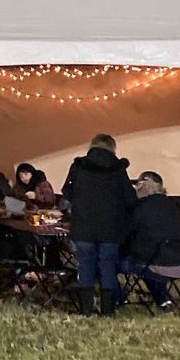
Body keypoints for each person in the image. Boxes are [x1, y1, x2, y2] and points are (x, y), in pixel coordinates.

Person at [62, 134, 135, 316]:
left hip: (83, 225)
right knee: (107, 266)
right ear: (112, 148)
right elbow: (129, 198)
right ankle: (107, 311)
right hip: (110, 227)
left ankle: (86, 309)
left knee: (85, 264)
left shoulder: (78, 166)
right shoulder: (118, 169)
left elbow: (67, 192)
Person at [121, 172, 180, 312]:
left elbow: (123, 231)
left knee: (106, 262)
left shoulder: (141, 207)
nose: (136, 189)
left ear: (147, 185)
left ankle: (119, 297)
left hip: (155, 264)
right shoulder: (172, 206)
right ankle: (164, 301)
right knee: (149, 262)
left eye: (138, 185)